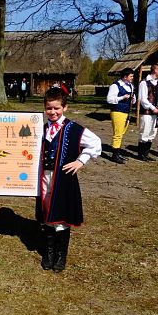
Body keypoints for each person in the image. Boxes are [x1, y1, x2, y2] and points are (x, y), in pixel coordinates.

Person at [36, 87, 102, 273]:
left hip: (63, 179)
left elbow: (96, 143)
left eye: (57, 108)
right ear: (44, 108)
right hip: (45, 177)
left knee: (61, 215)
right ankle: (48, 254)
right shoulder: (41, 129)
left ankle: (60, 255)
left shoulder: (73, 129)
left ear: (65, 107)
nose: (53, 112)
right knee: (47, 211)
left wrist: (80, 161)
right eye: (49, 108)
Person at [106, 67, 136, 164]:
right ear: (125, 76)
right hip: (117, 111)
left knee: (122, 133)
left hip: (126, 112)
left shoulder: (131, 86)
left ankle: (117, 153)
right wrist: (122, 97)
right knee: (117, 133)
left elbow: (133, 98)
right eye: (131, 76)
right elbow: (109, 99)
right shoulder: (115, 86)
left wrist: (133, 99)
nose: (132, 78)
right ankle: (115, 155)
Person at [137, 63, 158, 161]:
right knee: (144, 132)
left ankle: (146, 154)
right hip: (147, 112)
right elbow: (143, 99)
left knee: (152, 133)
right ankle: (141, 155)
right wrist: (152, 108)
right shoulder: (144, 83)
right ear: (155, 70)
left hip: (156, 113)